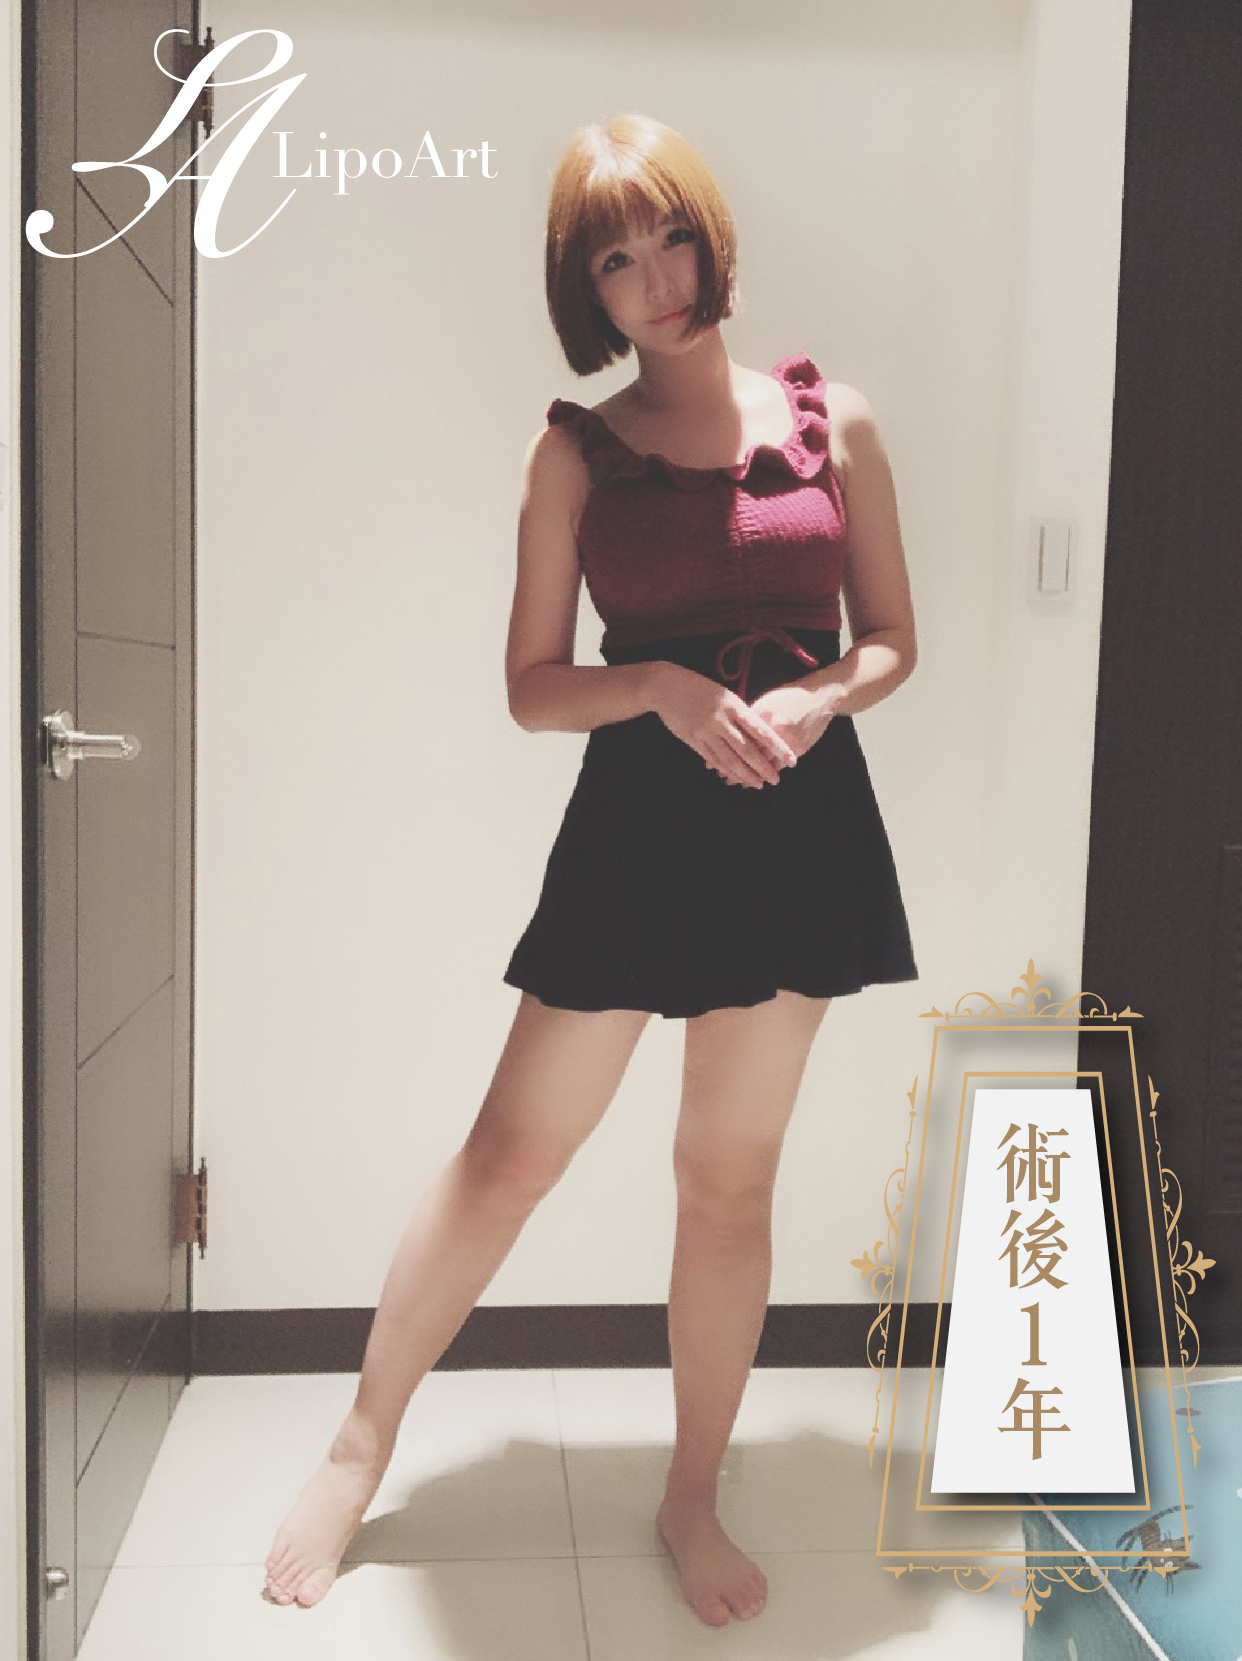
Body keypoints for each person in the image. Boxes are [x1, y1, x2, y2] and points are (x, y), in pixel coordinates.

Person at [264, 113, 918, 1626]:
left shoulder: (837, 423)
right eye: (617, 260)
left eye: (671, 238)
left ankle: (691, 1492)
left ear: (711, 237)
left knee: (726, 1180)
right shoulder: (573, 453)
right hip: (639, 822)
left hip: (798, 818)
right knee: (511, 1154)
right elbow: (532, 685)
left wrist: (818, 698)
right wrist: (658, 689)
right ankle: (361, 1442)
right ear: (588, 291)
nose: (657, 279)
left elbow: (892, 638)